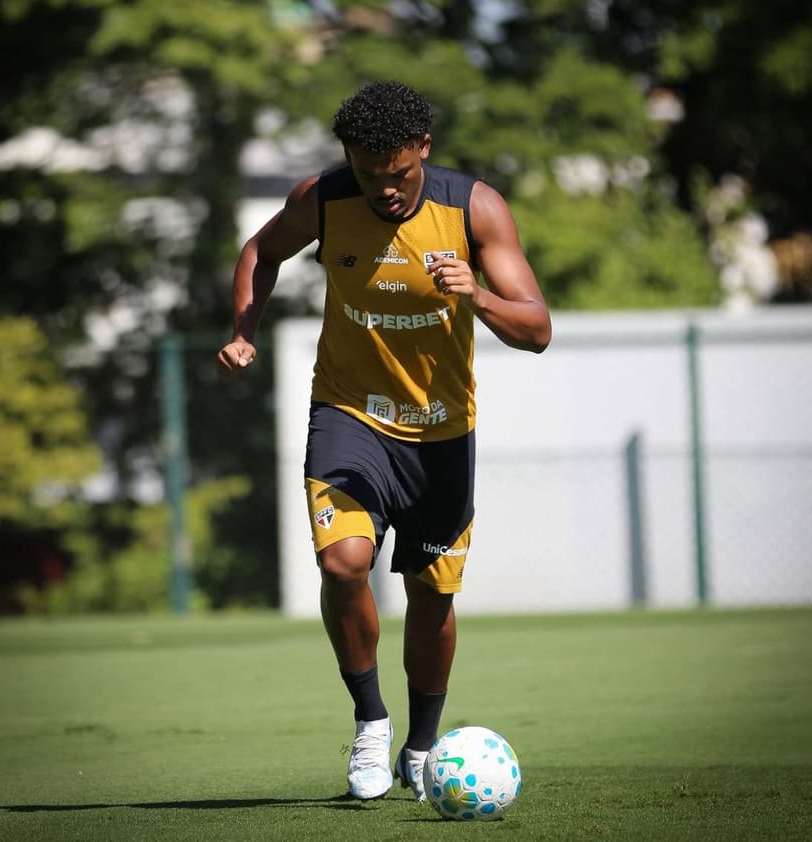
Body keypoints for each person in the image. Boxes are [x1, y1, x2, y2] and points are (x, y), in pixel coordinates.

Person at [217, 80, 551, 801]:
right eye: (369, 175)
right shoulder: (324, 199)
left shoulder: (474, 209)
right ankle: (371, 720)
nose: (385, 190)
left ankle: (421, 747)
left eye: (397, 174)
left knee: (430, 595)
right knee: (344, 564)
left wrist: (477, 294)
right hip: (349, 413)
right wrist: (244, 331)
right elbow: (260, 251)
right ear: (349, 159)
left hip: (440, 431)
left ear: (422, 149)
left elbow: (537, 330)